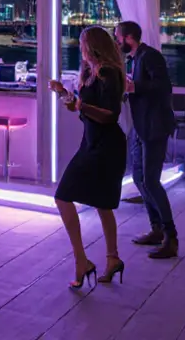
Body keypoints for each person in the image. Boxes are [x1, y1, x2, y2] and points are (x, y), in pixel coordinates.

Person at [49, 26, 129, 289]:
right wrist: (63, 94)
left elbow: (110, 114)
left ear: (92, 45)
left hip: (106, 145)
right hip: (92, 142)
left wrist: (80, 105)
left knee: (65, 196)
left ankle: (83, 261)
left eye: (83, 43)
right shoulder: (92, 72)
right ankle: (110, 259)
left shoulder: (109, 72)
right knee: (102, 203)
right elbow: (86, 110)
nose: (80, 49)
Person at [114, 21, 178, 259]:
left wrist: (134, 87)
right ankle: (156, 229)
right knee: (140, 179)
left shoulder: (150, 56)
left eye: (117, 37)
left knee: (150, 181)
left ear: (128, 37)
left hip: (154, 127)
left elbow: (163, 87)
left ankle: (171, 238)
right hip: (141, 127)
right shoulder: (135, 58)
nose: (116, 42)